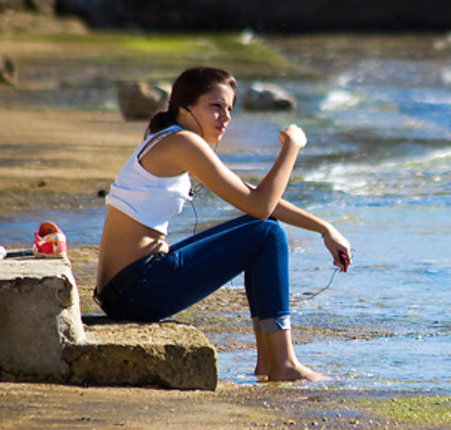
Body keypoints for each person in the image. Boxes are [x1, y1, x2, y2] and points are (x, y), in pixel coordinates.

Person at [95, 67, 351, 381]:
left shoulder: (169, 139)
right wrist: (292, 147)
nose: (226, 117)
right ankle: (283, 363)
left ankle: (270, 363)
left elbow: (253, 196)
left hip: (127, 288)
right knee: (266, 232)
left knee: (263, 229)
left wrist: (325, 228)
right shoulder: (183, 143)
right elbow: (261, 205)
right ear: (185, 107)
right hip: (136, 290)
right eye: (216, 106)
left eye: (229, 108)